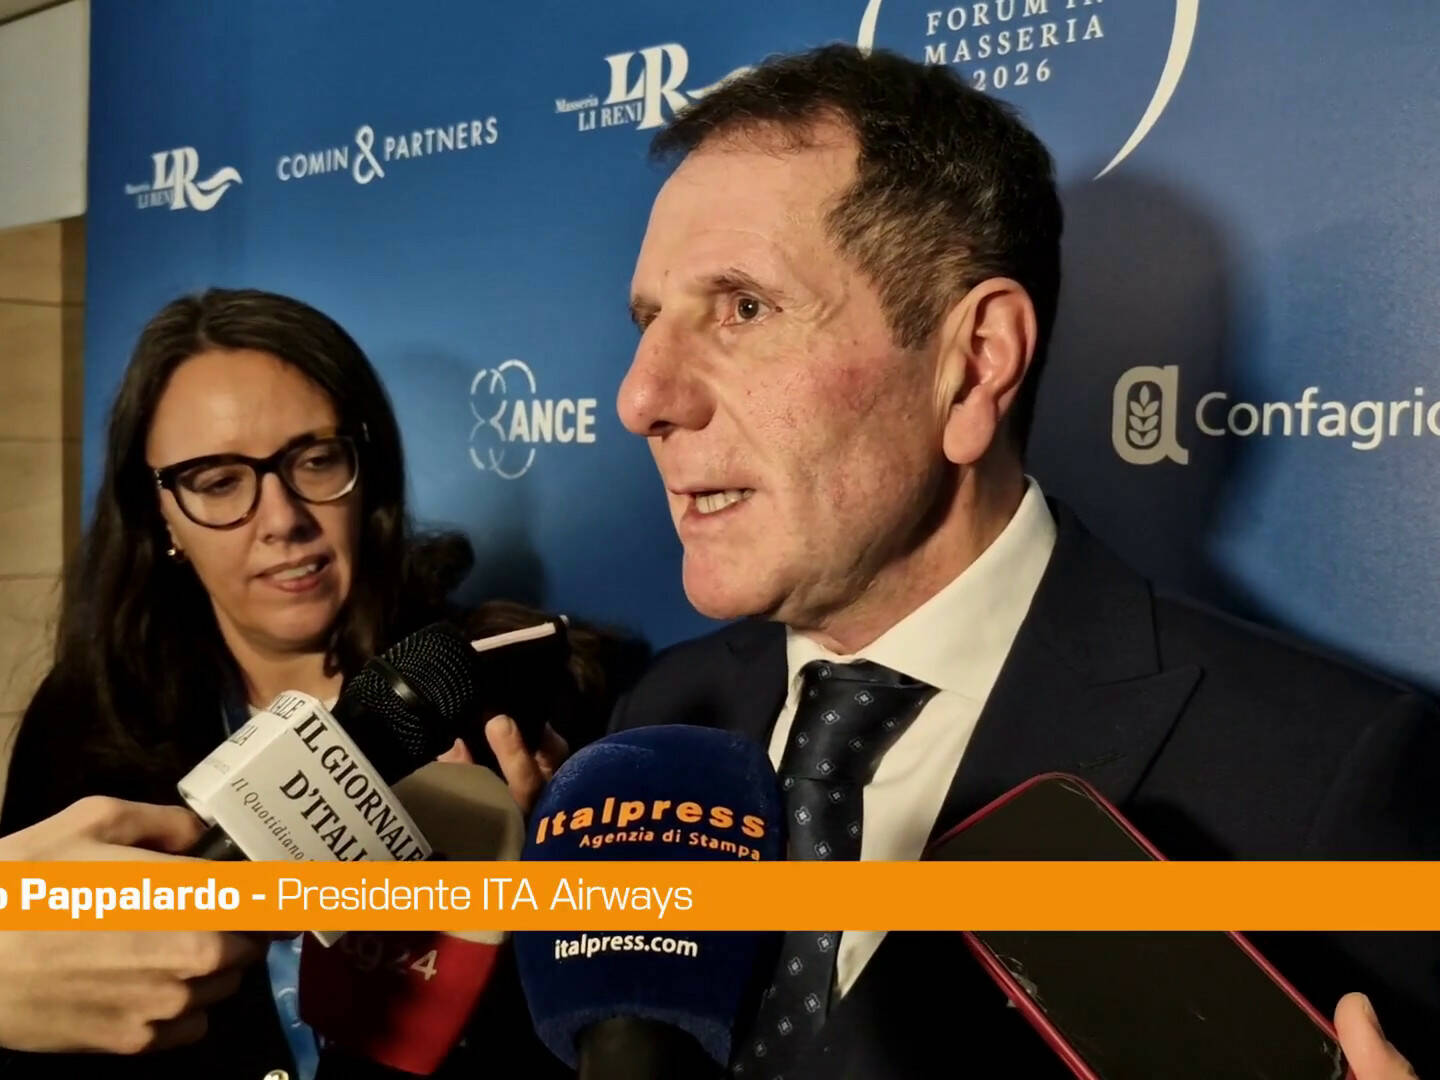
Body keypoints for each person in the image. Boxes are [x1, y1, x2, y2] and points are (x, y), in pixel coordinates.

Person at [610, 44, 1436, 1079]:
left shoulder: (1320, 780)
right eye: (648, 320)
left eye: (744, 308)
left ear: (974, 364)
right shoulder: (659, 721)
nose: (642, 397)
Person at [0, 287, 578, 1078]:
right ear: (160, 514)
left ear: (366, 473)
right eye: (217, 481)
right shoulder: (83, 722)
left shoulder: (495, 698)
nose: (281, 519)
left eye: (315, 461)